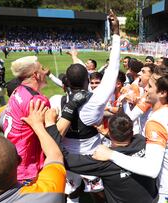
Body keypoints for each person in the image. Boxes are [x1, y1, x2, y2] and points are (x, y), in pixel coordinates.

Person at [52, 9, 121, 203]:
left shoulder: (56, 100)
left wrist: (74, 58)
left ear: (65, 83)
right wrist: (116, 33)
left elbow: (77, 75)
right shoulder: (94, 102)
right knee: (99, 193)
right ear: (88, 81)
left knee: (72, 194)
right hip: (92, 158)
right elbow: (113, 68)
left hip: (67, 159)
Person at [92, 68, 168, 203]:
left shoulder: (156, 121)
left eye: (150, 86)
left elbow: (151, 169)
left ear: (162, 93)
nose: (146, 89)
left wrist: (110, 154)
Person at [47, 112, 158, 203]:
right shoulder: (142, 141)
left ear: (110, 132)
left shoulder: (105, 162)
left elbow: (65, 159)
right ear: (132, 132)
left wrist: (51, 125)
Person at [2, 56, 51, 183]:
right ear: (35, 75)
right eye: (42, 69)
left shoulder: (17, 91)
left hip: (14, 159)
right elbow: (52, 135)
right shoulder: (37, 101)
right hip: (28, 166)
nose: (45, 72)